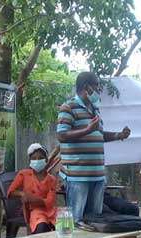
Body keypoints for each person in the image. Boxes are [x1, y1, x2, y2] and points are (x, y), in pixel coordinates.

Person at [56, 71, 131, 224]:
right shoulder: (68, 107)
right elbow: (62, 135)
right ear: (87, 87)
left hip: (97, 175)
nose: (98, 91)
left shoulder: (95, 109)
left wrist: (119, 135)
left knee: (95, 223)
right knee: (76, 221)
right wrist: (87, 129)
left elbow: (99, 135)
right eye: (96, 86)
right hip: (77, 176)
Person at [7, 143, 57, 234]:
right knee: (41, 226)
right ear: (30, 161)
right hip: (34, 210)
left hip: (51, 211)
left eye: (40, 158)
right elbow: (10, 192)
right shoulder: (24, 174)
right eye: (34, 158)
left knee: (65, 224)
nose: (37, 160)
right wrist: (22, 194)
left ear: (46, 160)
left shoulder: (51, 179)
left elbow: (49, 202)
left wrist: (32, 198)